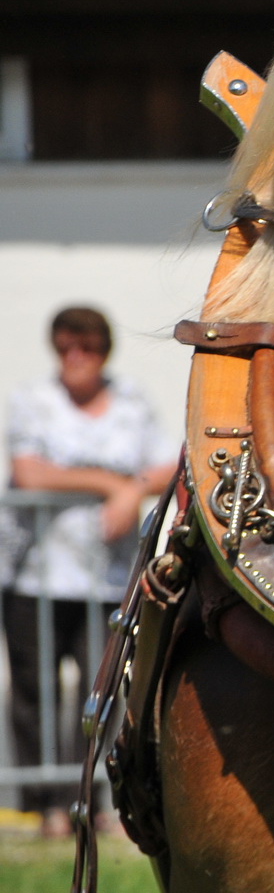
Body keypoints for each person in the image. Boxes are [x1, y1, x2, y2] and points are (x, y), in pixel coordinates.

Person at [4, 307, 177, 836]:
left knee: (100, 690)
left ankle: (91, 797)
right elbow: (28, 471)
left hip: (106, 579)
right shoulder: (34, 401)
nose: (76, 358)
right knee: (36, 689)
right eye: (65, 347)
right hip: (37, 575)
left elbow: (170, 460)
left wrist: (133, 488)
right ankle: (47, 805)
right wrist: (111, 484)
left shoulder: (130, 403)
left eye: (87, 348)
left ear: (104, 351)